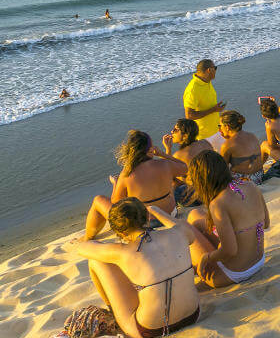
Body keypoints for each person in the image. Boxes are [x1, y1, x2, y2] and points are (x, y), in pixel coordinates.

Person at [71, 198, 199, 338]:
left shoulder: (122, 252)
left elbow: (82, 249)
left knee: (96, 261)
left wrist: (95, 241)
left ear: (119, 230)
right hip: (193, 315)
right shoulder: (179, 233)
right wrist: (158, 212)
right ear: (147, 217)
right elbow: (188, 232)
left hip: (151, 329)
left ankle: (112, 311)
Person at [184, 151, 269, 287]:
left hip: (234, 274)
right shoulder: (250, 185)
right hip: (258, 262)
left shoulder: (218, 203)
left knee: (186, 227)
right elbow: (266, 223)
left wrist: (206, 258)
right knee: (195, 214)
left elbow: (230, 250)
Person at [83, 131, 189, 240]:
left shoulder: (127, 173)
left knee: (98, 200)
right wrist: (162, 153)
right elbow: (184, 167)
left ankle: (87, 238)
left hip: (145, 224)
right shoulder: (165, 165)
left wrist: (115, 183)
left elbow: (115, 202)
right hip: (170, 216)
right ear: (150, 149)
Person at [182, 59, 225, 151]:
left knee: (225, 160)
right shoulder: (193, 89)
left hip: (216, 130)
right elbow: (189, 115)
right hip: (203, 136)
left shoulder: (206, 81)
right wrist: (213, 110)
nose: (216, 71)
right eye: (215, 68)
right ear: (209, 70)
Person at [218, 110, 265, 184]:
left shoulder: (227, 144)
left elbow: (223, 168)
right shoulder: (252, 136)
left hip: (245, 181)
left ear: (227, 127)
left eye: (220, 126)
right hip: (259, 175)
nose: (219, 129)